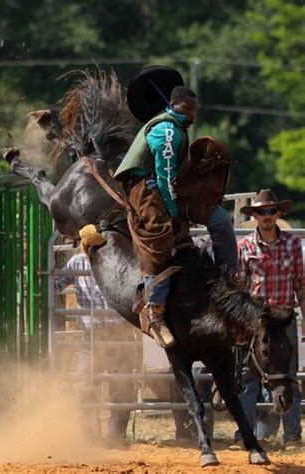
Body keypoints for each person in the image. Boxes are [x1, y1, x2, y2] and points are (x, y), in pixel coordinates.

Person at [114, 77, 237, 349]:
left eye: (193, 110)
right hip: (145, 187)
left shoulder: (175, 128)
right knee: (160, 237)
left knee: (216, 219)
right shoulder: (167, 132)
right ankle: (154, 312)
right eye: (187, 109)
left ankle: (231, 277)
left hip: (162, 186)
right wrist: (172, 210)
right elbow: (164, 176)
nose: (191, 115)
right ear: (174, 104)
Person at [232, 189, 303, 449]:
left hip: (284, 318)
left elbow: (301, 284)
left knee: (288, 374)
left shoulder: (293, 244)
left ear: (278, 213)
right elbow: (240, 287)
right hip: (256, 320)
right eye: (261, 211)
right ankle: (245, 435)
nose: (266, 216)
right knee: (249, 378)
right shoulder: (245, 247)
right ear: (255, 216)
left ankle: (293, 436)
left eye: (271, 211)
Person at [55, 251, 142, 447]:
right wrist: (43, 277)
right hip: (94, 335)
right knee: (87, 385)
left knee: (123, 386)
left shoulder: (120, 257)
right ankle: (91, 436)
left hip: (119, 333)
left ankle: (116, 435)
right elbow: (55, 283)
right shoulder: (78, 262)